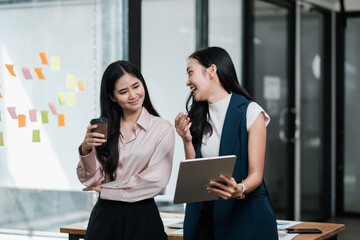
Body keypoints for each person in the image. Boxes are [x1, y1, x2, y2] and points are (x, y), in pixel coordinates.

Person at [175, 47, 278, 240]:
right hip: (203, 214)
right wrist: (186, 140)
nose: (188, 82)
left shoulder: (250, 111)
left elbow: (256, 174)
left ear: (212, 71)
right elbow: (195, 172)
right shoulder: (197, 115)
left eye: (191, 73)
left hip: (241, 212)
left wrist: (239, 189)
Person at [77, 60, 175, 240]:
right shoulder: (103, 128)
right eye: (123, 92)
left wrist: (109, 190)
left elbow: (156, 181)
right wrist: (86, 149)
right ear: (112, 97)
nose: (133, 95)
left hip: (143, 217)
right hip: (105, 218)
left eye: (136, 86)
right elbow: (92, 180)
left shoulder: (163, 129)